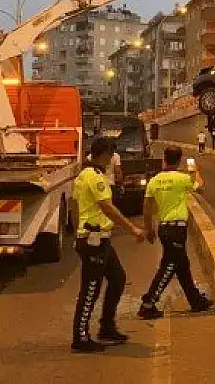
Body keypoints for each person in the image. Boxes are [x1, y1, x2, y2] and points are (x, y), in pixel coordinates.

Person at [70, 137, 146, 354]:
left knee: (118, 278)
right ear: (104, 154)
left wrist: (77, 232)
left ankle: (107, 326)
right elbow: (107, 207)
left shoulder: (83, 175)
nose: (112, 158)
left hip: (98, 238)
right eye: (111, 154)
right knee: (90, 290)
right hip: (94, 241)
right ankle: (80, 337)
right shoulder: (96, 178)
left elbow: (75, 206)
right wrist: (133, 229)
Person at [137, 145, 212, 319]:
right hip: (177, 229)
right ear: (179, 161)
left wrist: (149, 229)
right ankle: (148, 303)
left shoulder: (154, 181)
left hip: (164, 228)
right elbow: (199, 186)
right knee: (169, 266)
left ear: (164, 159)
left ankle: (195, 300)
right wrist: (195, 170)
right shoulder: (182, 178)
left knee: (182, 265)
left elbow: (147, 208)